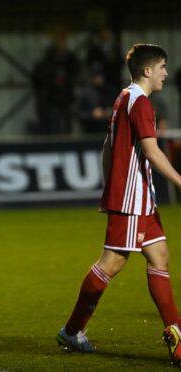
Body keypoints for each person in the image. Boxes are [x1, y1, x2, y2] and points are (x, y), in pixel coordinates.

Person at [57, 43, 181, 367]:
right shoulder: (140, 103)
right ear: (147, 70)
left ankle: (177, 334)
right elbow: (153, 153)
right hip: (131, 199)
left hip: (140, 198)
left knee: (160, 257)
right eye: (163, 66)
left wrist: (110, 182)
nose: (166, 73)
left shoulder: (123, 98)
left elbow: (107, 146)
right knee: (111, 263)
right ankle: (72, 330)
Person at [32, 32, 79, 135]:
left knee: (67, 123)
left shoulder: (70, 60)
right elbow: (37, 80)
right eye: (60, 43)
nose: (63, 45)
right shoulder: (48, 61)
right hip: (51, 99)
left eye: (64, 43)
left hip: (66, 97)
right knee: (53, 124)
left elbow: (77, 73)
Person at [76, 66, 117, 134]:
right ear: (92, 78)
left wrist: (111, 112)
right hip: (90, 131)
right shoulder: (85, 93)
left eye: (101, 76)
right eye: (97, 76)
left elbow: (119, 110)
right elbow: (77, 112)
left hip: (108, 132)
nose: (99, 79)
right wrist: (92, 114)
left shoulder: (110, 91)